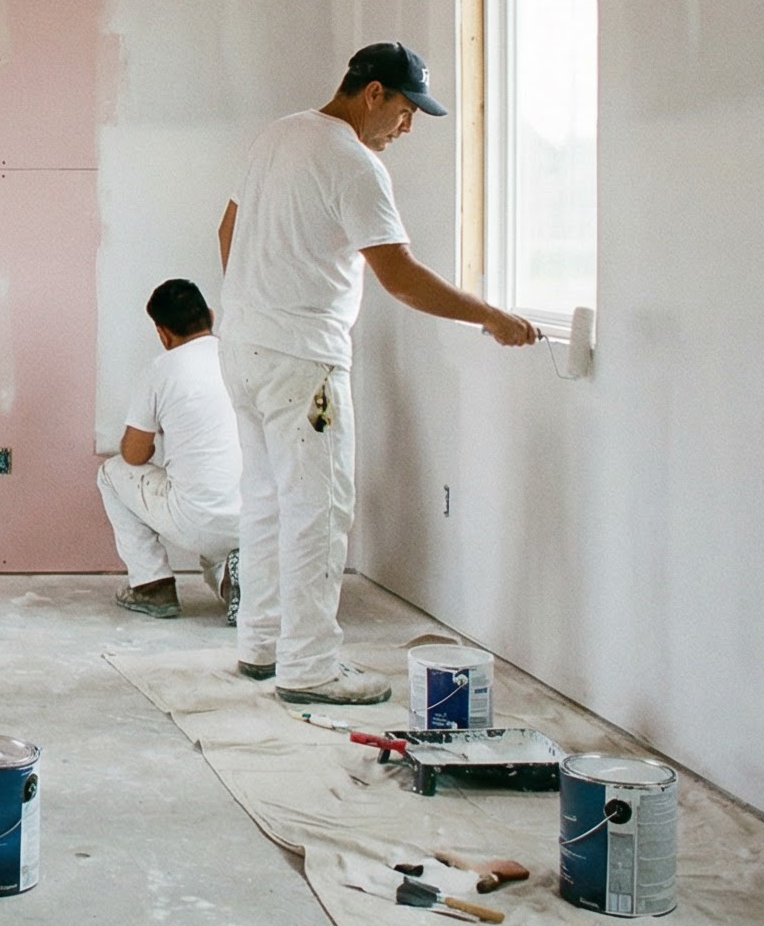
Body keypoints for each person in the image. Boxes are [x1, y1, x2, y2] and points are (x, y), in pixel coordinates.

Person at [216, 43, 537, 704]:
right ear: (374, 94)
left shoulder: (279, 135)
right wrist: (489, 316)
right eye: (405, 110)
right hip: (303, 361)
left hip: (242, 345)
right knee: (317, 507)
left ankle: (262, 644)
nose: (406, 127)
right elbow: (402, 278)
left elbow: (229, 231)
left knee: (267, 497)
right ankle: (309, 668)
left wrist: (260, 302)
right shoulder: (353, 163)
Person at [101, 279, 244, 624]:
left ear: (163, 334)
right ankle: (241, 582)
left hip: (195, 518)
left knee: (110, 473)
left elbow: (134, 456)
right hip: (257, 517)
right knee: (216, 557)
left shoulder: (160, 370)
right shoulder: (241, 360)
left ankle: (153, 587)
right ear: (210, 316)